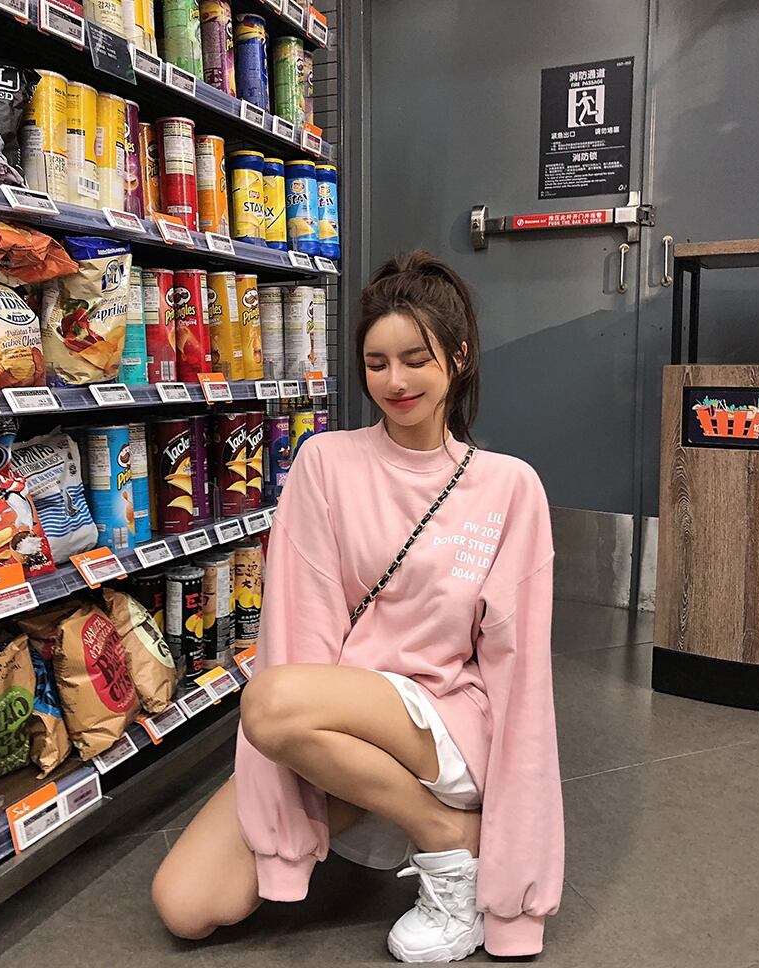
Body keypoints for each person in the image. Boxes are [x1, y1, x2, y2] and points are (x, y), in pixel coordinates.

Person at [152, 250, 565, 962]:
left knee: (271, 702)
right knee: (186, 904)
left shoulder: (509, 487)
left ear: (459, 358)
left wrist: (517, 871)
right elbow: (297, 628)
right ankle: (446, 832)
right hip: (332, 725)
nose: (395, 381)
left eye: (415, 359)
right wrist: (284, 793)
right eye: (377, 364)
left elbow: (520, 673)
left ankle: (451, 838)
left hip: (446, 723)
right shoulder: (325, 462)